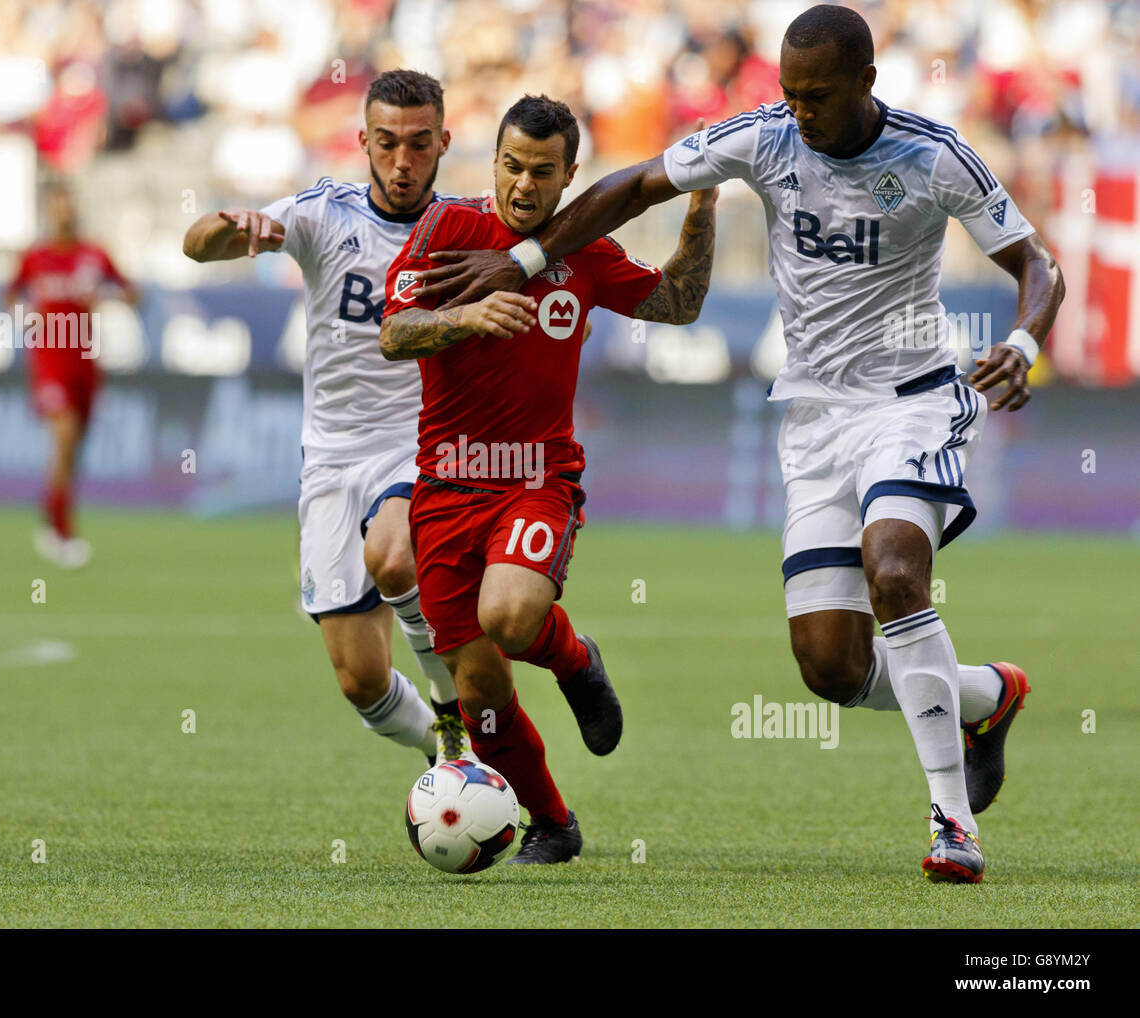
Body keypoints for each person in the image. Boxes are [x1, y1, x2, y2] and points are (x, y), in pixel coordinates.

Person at [410, 6, 1065, 883]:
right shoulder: (764, 136)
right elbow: (636, 184)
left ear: (867, 83)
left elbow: (1037, 263)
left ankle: (952, 823)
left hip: (910, 400)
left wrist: (1022, 343)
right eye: (789, 94)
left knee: (896, 572)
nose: (800, 111)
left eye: (818, 96)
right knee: (830, 666)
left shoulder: (933, 154)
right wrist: (525, 261)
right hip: (815, 419)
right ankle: (985, 697)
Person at [379, 95, 718, 863]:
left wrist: (704, 193)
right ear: (491, 160)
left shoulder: (586, 251)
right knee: (480, 689)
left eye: (541, 171)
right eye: (510, 166)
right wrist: (467, 318)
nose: (522, 185)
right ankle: (554, 823)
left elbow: (681, 301)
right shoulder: (448, 229)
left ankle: (575, 661)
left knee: (509, 614)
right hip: (445, 487)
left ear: (570, 177)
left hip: (537, 478)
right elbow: (393, 336)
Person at [182, 70, 470, 766]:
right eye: (388, 143)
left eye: (420, 145)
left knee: (395, 555)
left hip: (417, 446)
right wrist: (231, 225)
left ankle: (460, 721)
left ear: (444, 143)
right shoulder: (321, 214)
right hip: (332, 459)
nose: (404, 161)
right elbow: (195, 247)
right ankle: (445, 760)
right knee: (361, 681)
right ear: (363, 141)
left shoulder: (467, 226)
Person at [4, 181, 138, 569]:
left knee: (74, 448)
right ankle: (62, 530)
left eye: (68, 204)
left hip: (85, 361)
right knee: (62, 436)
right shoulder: (36, 257)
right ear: (48, 211)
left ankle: (51, 510)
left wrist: (108, 297)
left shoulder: (93, 254)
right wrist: (24, 318)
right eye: (57, 206)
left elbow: (132, 292)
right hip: (50, 362)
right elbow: (11, 293)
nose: (64, 212)